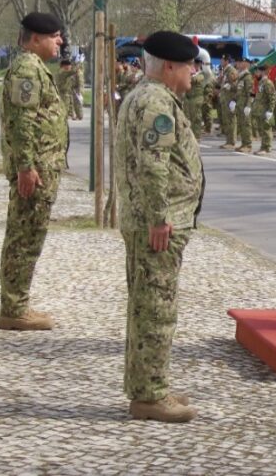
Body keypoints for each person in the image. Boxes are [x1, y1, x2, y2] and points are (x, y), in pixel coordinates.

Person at [116, 30, 203, 423]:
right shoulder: (156, 103)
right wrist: (159, 218)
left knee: (146, 306)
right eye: (189, 66)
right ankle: (149, 395)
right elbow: (154, 166)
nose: (193, 73)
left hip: (148, 220)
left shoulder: (146, 95)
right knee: (156, 310)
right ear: (169, 67)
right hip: (156, 224)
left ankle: (148, 385)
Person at [0, 12, 68, 331]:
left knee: (27, 236)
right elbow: (22, 122)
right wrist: (26, 167)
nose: (60, 41)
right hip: (34, 171)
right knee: (24, 239)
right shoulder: (27, 68)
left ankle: (17, 303)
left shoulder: (34, 66)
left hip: (39, 168)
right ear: (35, 39)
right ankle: (14, 308)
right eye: (54, 36)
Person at [252, 63, 276, 155]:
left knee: (266, 130)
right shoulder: (261, 83)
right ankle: (263, 146)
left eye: (259, 71)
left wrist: (270, 111)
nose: (257, 73)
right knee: (262, 130)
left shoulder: (268, 83)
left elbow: (272, 97)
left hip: (265, 110)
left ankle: (267, 147)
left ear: (263, 72)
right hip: (260, 110)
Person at [217, 57, 239, 150]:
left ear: (227, 61)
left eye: (222, 60)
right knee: (226, 120)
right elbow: (221, 83)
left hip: (230, 99)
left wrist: (229, 86)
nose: (221, 62)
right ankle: (228, 141)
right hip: (225, 98)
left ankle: (232, 141)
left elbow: (235, 85)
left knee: (231, 120)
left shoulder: (231, 71)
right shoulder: (225, 71)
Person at [235, 57, 254, 153]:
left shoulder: (248, 77)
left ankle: (248, 145)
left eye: (242, 62)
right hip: (240, 104)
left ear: (246, 64)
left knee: (246, 124)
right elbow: (238, 91)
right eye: (239, 62)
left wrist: (248, 105)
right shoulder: (241, 76)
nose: (239, 64)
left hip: (245, 104)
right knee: (242, 124)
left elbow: (250, 92)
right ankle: (243, 143)